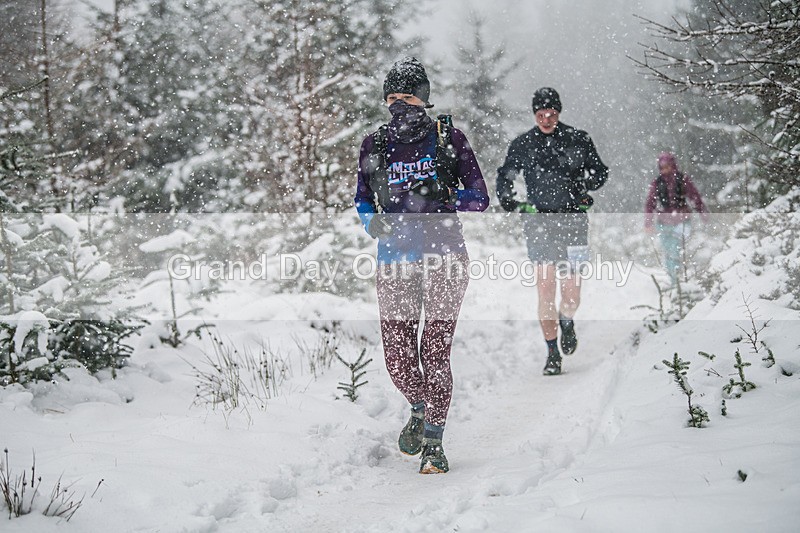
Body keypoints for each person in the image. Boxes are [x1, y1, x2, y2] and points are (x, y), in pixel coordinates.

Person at [353, 57, 489, 474]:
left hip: (445, 257)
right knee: (397, 359)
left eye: (408, 96)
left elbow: (480, 197)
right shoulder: (374, 145)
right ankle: (418, 406)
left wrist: (446, 194)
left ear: (424, 99)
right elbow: (361, 197)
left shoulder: (449, 139)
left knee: (434, 351)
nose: (399, 104)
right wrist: (369, 220)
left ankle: (434, 442)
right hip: (395, 260)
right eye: (392, 97)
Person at [496, 87, 608, 376]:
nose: (546, 120)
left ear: (559, 113)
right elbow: (505, 174)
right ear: (534, 114)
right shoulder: (523, 144)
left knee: (572, 296)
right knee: (545, 292)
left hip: (573, 222)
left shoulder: (578, 139)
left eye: (552, 114)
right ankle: (552, 353)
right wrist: (510, 201)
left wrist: (584, 188)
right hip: (539, 224)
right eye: (541, 115)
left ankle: (567, 319)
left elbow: (600, 172)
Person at [644, 152, 708, 285]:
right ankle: (674, 281)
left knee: (676, 250)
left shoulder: (682, 179)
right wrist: (648, 223)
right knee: (668, 253)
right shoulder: (657, 183)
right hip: (663, 223)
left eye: (667, 166)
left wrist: (702, 212)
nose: (665, 170)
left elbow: (695, 197)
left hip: (682, 222)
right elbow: (650, 204)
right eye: (662, 167)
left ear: (673, 165)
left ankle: (679, 280)